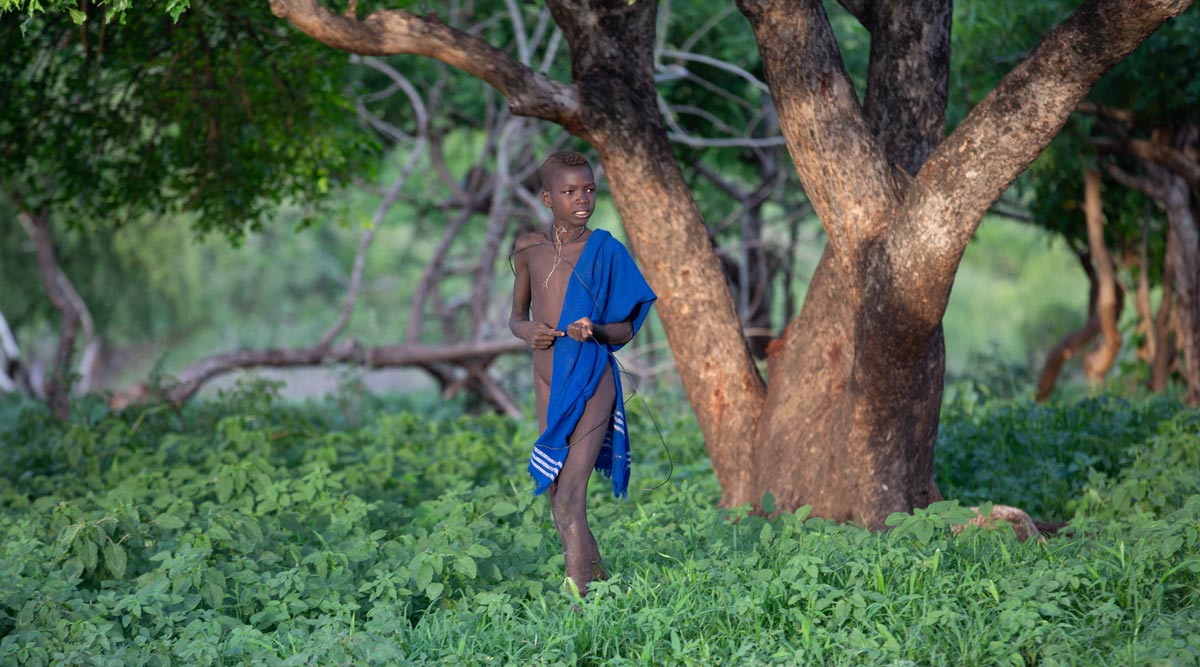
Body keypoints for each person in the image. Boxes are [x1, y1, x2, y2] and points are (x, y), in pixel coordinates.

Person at [508, 150, 656, 596]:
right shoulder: (529, 249)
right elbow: (515, 316)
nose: (582, 200)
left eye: (589, 190)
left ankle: (579, 604)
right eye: (570, 192)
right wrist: (527, 331)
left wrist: (594, 329)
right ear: (547, 198)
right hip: (546, 378)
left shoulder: (606, 249)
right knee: (556, 490)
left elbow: (627, 327)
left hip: (592, 379)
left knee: (571, 493)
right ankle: (603, 582)